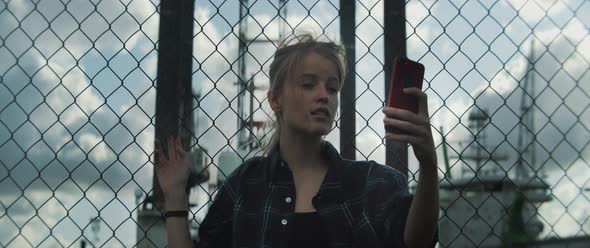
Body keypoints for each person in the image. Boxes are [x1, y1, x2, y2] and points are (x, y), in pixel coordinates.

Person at [154, 33, 439, 248]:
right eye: (308, 84)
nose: (324, 96)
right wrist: (176, 196)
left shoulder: (372, 182)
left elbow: (416, 242)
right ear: (276, 99)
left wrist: (428, 164)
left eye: (332, 87)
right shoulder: (244, 186)